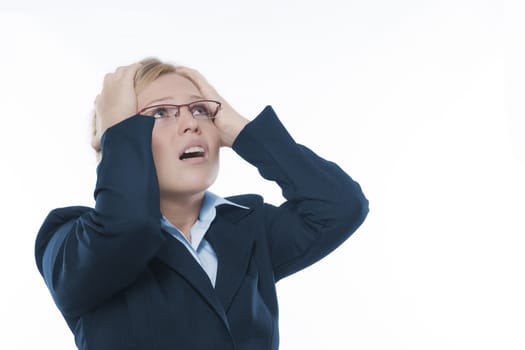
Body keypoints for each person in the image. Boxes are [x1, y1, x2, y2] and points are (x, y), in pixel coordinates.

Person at [35, 57, 369, 350]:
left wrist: (237, 126)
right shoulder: (69, 242)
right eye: (161, 112)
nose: (191, 123)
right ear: (117, 137)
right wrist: (118, 130)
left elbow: (341, 206)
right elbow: (128, 227)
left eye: (200, 110)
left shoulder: (249, 228)